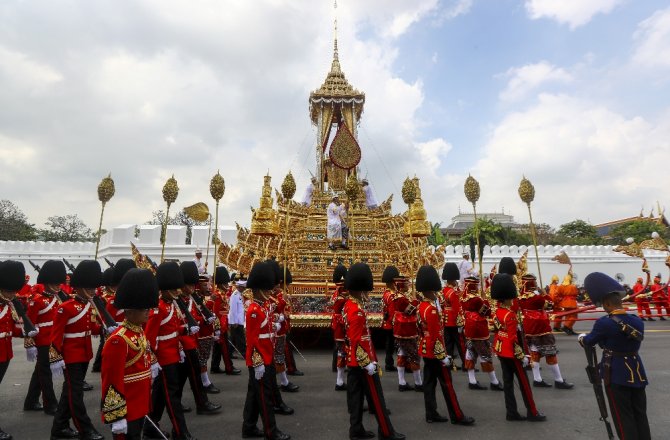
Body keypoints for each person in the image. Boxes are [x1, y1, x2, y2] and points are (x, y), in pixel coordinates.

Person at [579, 272, 651, 440]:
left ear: (607, 303)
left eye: (603, 305)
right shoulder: (637, 320)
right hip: (637, 371)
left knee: (622, 417)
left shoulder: (604, 323)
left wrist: (581, 338)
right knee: (640, 414)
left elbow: (589, 342)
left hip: (616, 373)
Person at [343, 262, 405, 440]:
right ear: (360, 289)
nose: (367, 294)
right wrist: (367, 362)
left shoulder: (350, 306)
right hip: (363, 362)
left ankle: (356, 429)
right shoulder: (357, 311)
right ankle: (386, 432)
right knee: (377, 399)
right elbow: (356, 340)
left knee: (356, 398)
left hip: (354, 361)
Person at [50, 260, 106, 440]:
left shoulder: (90, 305)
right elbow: (56, 335)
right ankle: (85, 428)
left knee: (69, 393)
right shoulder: (65, 307)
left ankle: (59, 428)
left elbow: (92, 328)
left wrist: (104, 327)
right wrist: (56, 356)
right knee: (76, 394)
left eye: (94, 287)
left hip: (84, 354)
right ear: (79, 287)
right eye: (89, 287)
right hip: (70, 356)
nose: (92, 290)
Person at [100, 268, 159, 440]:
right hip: (126, 407)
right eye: (143, 309)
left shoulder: (138, 332)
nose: (148, 311)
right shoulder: (118, 340)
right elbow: (111, 380)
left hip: (140, 403)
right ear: (130, 311)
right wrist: (116, 415)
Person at [415, 265, 475, 426]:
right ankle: (457, 415)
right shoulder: (431, 310)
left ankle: (431, 413)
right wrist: (444, 356)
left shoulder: (422, 306)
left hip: (426, 350)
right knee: (447, 384)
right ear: (431, 289)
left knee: (429, 383)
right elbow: (436, 335)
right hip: (436, 352)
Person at [144, 262, 194, 440]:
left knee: (160, 395)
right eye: (172, 288)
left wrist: (184, 330)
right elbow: (149, 339)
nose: (177, 291)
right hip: (163, 359)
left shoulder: (171, 305)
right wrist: (153, 361)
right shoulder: (158, 309)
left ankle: (150, 425)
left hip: (173, 354)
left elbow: (172, 330)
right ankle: (181, 433)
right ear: (163, 287)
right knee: (172, 397)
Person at [242, 261, 291, 440]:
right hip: (261, 359)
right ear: (259, 289)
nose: (270, 291)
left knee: (254, 395)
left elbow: (267, 329)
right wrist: (257, 362)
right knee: (265, 396)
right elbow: (252, 340)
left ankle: (248, 427)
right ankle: (271, 431)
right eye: (267, 288)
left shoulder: (262, 307)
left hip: (267, 356)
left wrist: (276, 324)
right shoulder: (254, 310)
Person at [491, 273, 546, 422]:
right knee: (524, 384)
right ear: (508, 297)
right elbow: (513, 338)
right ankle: (532, 412)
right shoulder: (509, 315)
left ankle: (511, 412)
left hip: (501, 349)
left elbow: (497, 331)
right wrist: (522, 356)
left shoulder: (497, 311)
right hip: (512, 352)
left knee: (508, 383)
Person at [178, 262, 221, 415]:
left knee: (189, 376)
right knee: (184, 378)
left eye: (192, 285)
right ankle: (198, 403)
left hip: (191, 343)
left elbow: (195, 316)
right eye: (187, 285)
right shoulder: (176, 301)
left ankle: (200, 403)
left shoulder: (190, 300)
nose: (191, 288)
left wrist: (202, 320)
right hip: (181, 345)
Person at [517, 274, 573, 390]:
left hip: (529, 327)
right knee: (551, 353)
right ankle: (559, 380)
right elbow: (550, 304)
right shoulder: (537, 298)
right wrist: (544, 294)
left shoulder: (520, 297)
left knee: (535, 353)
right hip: (541, 327)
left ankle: (537, 379)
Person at [24, 260, 65, 415]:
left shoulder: (58, 298)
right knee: (45, 373)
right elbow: (29, 324)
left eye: (59, 283)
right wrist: (30, 344)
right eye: (55, 283)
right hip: (42, 342)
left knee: (40, 372)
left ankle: (31, 401)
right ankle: (50, 403)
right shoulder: (37, 301)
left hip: (54, 340)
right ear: (47, 283)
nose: (58, 286)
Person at [1, 260, 35, 440]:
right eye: (8, 291)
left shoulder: (8, 304)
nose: (12, 294)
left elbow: (9, 328)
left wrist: (26, 333)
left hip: (4, 353)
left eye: (14, 291)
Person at [461, 276, 503, 391]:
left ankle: (472, 380)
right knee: (485, 355)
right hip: (479, 330)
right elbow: (487, 312)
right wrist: (485, 300)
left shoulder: (464, 298)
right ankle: (494, 381)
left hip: (469, 328)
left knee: (470, 354)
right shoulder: (477, 299)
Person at [391, 276, 422, 392]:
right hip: (406, 330)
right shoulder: (401, 299)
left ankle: (402, 382)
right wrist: (416, 301)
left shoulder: (400, 297)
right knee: (414, 356)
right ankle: (418, 383)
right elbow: (410, 310)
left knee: (402, 354)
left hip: (402, 329)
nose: (408, 285)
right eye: (406, 284)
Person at [210, 266, 240, 375]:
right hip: (220, 325)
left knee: (218, 347)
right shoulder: (217, 295)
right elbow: (216, 312)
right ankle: (229, 367)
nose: (227, 285)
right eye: (225, 283)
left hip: (224, 323)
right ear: (220, 282)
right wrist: (219, 327)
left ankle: (214, 366)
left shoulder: (222, 294)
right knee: (225, 347)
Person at [440, 262, 466, 371]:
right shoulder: (452, 293)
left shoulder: (445, 290)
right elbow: (457, 309)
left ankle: (450, 363)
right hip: (454, 321)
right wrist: (461, 323)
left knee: (449, 343)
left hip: (446, 320)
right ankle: (466, 363)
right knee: (460, 343)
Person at [330, 264, 348, 390]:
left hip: (337, 323)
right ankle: (339, 381)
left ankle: (336, 368)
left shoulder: (336, 293)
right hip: (341, 324)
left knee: (338, 347)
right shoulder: (341, 297)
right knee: (341, 350)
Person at [380, 266, 399, 372]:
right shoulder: (391, 295)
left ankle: (389, 363)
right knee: (393, 345)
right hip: (391, 323)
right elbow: (392, 312)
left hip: (386, 322)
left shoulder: (386, 293)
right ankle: (389, 364)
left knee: (389, 344)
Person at [555, 268, 580, 335]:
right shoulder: (573, 286)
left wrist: (561, 300)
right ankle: (567, 326)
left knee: (568, 316)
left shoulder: (560, 286)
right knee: (574, 316)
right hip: (571, 303)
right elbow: (576, 293)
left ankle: (569, 329)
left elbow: (557, 294)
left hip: (564, 302)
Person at [228, 279, 247, 355]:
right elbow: (233, 309)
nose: (244, 288)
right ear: (239, 287)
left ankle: (229, 353)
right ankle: (244, 353)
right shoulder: (235, 295)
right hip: (237, 321)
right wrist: (234, 321)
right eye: (242, 287)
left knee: (234, 339)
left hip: (240, 320)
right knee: (240, 339)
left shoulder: (240, 295)